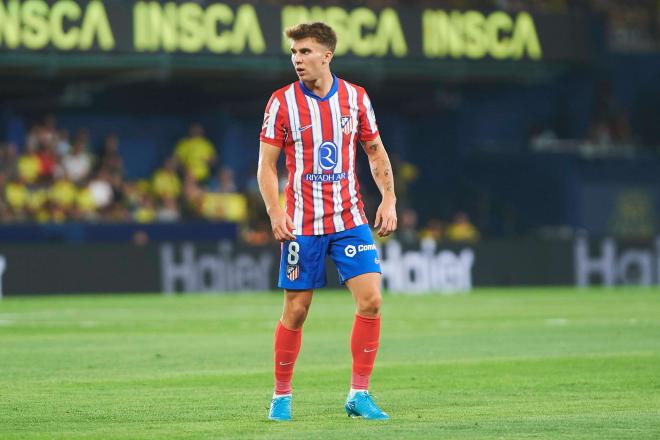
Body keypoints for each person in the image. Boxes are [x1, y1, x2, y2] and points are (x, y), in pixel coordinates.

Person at [257, 22, 397, 422]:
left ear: (326, 55)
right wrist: (274, 211)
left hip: (350, 218)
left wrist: (389, 198)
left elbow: (375, 151)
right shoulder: (281, 102)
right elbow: (266, 166)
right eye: (294, 53)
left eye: (304, 52)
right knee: (297, 311)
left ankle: (359, 394)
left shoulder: (356, 98)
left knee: (371, 300)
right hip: (302, 223)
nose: (297, 60)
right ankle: (281, 397)